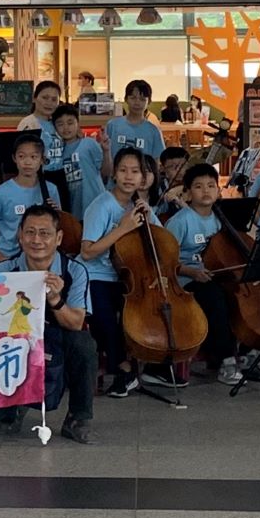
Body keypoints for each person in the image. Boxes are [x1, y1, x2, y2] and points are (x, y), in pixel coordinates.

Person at [0, 203, 96, 444]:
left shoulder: (75, 271)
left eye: (44, 233)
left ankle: (78, 417)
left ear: (58, 238)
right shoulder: (5, 270)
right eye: (30, 232)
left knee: (84, 344)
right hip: (19, 336)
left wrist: (56, 299)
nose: (36, 240)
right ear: (20, 235)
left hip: (60, 334)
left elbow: (76, 322)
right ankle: (13, 408)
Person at [80, 145, 166, 401]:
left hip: (127, 277)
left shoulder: (139, 206)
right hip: (94, 275)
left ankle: (156, 363)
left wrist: (150, 219)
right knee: (105, 317)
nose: (129, 177)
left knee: (148, 310)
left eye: (135, 171)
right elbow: (87, 252)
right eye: (123, 170)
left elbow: (163, 244)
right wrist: (123, 228)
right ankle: (124, 368)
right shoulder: (102, 205)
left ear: (144, 177)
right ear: (114, 174)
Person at [163, 161, 240, 386]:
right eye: (198, 186)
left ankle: (243, 349)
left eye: (210, 185)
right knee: (215, 297)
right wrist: (191, 272)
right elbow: (164, 262)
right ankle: (226, 361)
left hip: (213, 275)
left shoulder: (220, 219)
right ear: (187, 193)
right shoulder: (180, 221)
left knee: (237, 293)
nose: (205, 190)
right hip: (184, 281)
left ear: (218, 190)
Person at [0, 131, 64, 264]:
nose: (27, 162)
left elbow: (56, 228)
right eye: (22, 156)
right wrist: (1, 259)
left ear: (42, 160)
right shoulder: (0, 193)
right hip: (7, 257)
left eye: (34, 157)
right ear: (14, 158)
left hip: (38, 259)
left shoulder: (51, 190)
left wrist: (57, 213)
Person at [48, 102, 107, 214]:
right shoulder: (57, 153)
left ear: (78, 123)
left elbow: (106, 172)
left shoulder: (89, 144)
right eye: (60, 124)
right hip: (73, 210)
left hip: (96, 206)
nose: (66, 128)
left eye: (70, 123)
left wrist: (106, 151)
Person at [106, 80, 166, 176]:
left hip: (142, 182)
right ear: (126, 99)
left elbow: (156, 163)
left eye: (142, 99)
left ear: (149, 101)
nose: (137, 103)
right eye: (133, 98)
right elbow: (105, 158)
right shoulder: (112, 126)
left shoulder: (153, 131)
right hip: (115, 181)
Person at [17, 79, 65, 148]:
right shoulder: (27, 124)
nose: (49, 103)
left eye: (54, 99)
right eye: (45, 98)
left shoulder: (59, 123)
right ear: (34, 98)